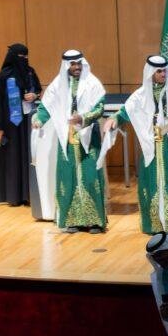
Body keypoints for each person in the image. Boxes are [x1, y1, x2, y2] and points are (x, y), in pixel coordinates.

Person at [103, 56, 168, 235]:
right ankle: (154, 225)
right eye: (159, 71)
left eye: (164, 70)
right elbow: (126, 110)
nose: (163, 74)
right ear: (151, 73)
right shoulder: (141, 94)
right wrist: (114, 119)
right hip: (150, 145)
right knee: (151, 184)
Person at [31, 50, 107, 234]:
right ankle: (72, 220)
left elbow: (99, 108)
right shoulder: (57, 85)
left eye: (79, 63)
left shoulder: (92, 83)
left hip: (88, 137)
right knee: (68, 177)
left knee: (90, 177)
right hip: (67, 139)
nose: (77, 67)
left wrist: (83, 118)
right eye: (73, 64)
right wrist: (39, 119)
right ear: (66, 66)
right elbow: (45, 107)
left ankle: (95, 222)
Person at [0, 43, 41, 206]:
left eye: (26, 56)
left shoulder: (30, 72)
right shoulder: (3, 76)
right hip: (10, 124)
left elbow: (38, 89)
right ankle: (13, 195)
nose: (24, 59)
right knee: (13, 157)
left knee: (28, 154)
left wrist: (34, 95)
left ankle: (29, 193)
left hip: (28, 121)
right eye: (21, 56)